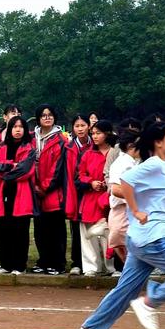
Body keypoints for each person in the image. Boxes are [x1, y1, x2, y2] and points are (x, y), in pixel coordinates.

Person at [73, 122, 165, 329]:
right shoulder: (153, 165)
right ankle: (150, 301)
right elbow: (125, 182)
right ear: (158, 142)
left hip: (142, 239)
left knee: (125, 290)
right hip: (151, 239)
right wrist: (134, 210)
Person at [0, 116, 36, 274]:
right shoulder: (2, 148)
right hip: (3, 194)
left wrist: (5, 173)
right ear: (9, 129)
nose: (18, 130)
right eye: (14, 127)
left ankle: (19, 265)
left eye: (21, 127)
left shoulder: (29, 149)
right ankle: (5, 264)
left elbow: (25, 170)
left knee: (20, 230)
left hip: (21, 194)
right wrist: (11, 165)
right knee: (4, 229)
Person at [77, 120, 118, 276]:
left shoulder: (116, 153)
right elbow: (80, 175)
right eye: (93, 133)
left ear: (107, 133)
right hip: (90, 198)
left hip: (110, 198)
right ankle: (91, 267)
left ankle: (110, 267)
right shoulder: (87, 154)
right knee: (88, 234)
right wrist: (91, 182)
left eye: (98, 133)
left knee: (109, 233)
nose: (94, 136)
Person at [32, 104, 67, 275]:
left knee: (56, 230)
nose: (47, 117)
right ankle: (43, 261)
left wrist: (44, 187)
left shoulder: (61, 140)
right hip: (35, 191)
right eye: (44, 115)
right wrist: (34, 186)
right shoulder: (32, 138)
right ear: (38, 118)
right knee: (40, 230)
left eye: (50, 115)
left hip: (53, 192)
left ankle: (58, 263)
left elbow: (58, 168)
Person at [106, 128, 141, 266]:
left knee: (129, 244)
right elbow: (116, 189)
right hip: (121, 209)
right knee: (120, 242)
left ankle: (131, 270)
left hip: (130, 209)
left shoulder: (134, 162)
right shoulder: (121, 163)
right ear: (130, 146)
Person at [65, 115, 91, 275]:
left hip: (91, 190)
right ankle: (77, 262)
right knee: (76, 227)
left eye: (83, 125)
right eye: (77, 126)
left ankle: (95, 262)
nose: (80, 128)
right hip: (74, 191)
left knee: (94, 228)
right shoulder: (68, 147)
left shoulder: (95, 145)